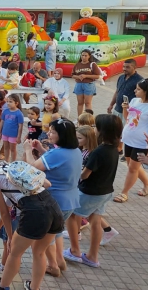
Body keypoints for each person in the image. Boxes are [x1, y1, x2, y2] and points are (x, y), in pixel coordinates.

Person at [0, 162, 61, 290]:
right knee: (39, 253)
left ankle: (2, 286)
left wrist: (9, 236)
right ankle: (34, 287)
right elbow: (47, 184)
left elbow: (4, 212)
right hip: (53, 207)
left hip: (34, 212)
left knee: (14, 252)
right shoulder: (12, 167)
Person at [23, 119, 82, 278]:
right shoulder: (75, 150)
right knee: (56, 233)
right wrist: (41, 150)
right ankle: (59, 261)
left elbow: (32, 168)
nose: (48, 133)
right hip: (70, 201)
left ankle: (53, 266)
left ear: (62, 135)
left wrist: (28, 150)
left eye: (52, 132)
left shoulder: (57, 153)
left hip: (54, 201)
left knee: (43, 239)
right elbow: (56, 162)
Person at [64, 115, 122, 268]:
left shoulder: (98, 151)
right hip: (105, 191)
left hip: (90, 191)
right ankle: (92, 256)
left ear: (103, 130)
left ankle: (74, 250)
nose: (94, 129)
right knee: (95, 221)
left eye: (96, 127)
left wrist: (73, 174)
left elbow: (85, 174)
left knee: (72, 216)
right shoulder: (114, 149)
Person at [115, 78, 148, 202]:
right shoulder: (135, 101)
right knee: (131, 165)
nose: (135, 91)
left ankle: (124, 193)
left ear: (146, 91)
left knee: (132, 168)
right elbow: (128, 118)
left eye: (138, 89)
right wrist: (125, 108)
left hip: (142, 143)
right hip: (129, 139)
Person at [107, 58, 143, 140]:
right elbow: (117, 92)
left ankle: (120, 148)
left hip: (130, 111)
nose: (124, 69)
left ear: (134, 67)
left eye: (127, 67)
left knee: (125, 131)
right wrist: (111, 104)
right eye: (123, 67)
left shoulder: (140, 80)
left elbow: (141, 97)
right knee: (115, 130)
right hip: (117, 109)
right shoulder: (121, 77)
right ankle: (117, 148)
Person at [72, 49, 101, 115]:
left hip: (89, 84)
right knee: (80, 103)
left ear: (89, 56)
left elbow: (97, 76)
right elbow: (73, 75)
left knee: (87, 103)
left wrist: (86, 76)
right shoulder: (77, 65)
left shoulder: (92, 64)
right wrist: (78, 77)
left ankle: (88, 119)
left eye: (85, 55)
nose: (84, 57)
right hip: (79, 84)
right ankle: (79, 119)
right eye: (82, 55)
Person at [0, 94, 24, 163]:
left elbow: (20, 126)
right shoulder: (5, 111)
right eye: (8, 101)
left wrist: (19, 137)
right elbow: (2, 122)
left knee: (13, 149)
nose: (8, 103)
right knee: (6, 148)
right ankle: (6, 161)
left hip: (13, 134)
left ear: (16, 103)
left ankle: (13, 162)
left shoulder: (19, 114)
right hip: (5, 133)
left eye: (10, 102)